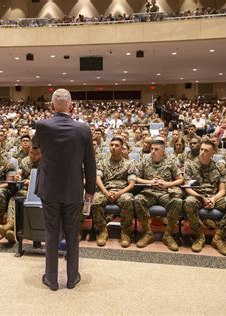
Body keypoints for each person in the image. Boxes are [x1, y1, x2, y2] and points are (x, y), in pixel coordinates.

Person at [33, 88, 96, 291]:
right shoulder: (84, 129)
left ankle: (51, 279)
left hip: (49, 188)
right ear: (72, 106)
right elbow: (90, 163)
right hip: (73, 189)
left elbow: (35, 147)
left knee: (51, 233)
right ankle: (71, 278)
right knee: (72, 233)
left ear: (52, 107)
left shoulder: (42, 126)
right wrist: (90, 190)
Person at [183, 140, 226, 256]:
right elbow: (187, 188)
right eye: (201, 149)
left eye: (206, 150)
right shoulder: (189, 165)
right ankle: (200, 236)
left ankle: (218, 238)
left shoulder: (219, 167)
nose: (202, 152)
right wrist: (201, 197)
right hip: (197, 196)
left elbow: (222, 190)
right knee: (189, 202)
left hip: (215, 196)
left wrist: (214, 199)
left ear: (213, 153)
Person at [133, 138, 184, 251]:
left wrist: (167, 184)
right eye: (151, 149)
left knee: (177, 202)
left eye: (156, 149)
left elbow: (180, 180)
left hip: (165, 193)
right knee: (138, 199)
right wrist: (149, 182)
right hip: (149, 192)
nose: (152, 151)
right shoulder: (145, 160)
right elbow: (135, 177)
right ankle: (148, 233)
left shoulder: (170, 161)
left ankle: (168, 235)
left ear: (163, 151)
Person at [91, 137, 136, 248]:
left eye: (116, 145)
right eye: (111, 145)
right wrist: (106, 192)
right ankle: (103, 230)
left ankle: (125, 232)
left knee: (128, 200)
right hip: (106, 190)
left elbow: (132, 183)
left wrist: (120, 193)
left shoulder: (129, 163)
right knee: (95, 199)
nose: (113, 147)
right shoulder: (103, 162)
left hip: (122, 191)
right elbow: (97, 178)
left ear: (122, 148)